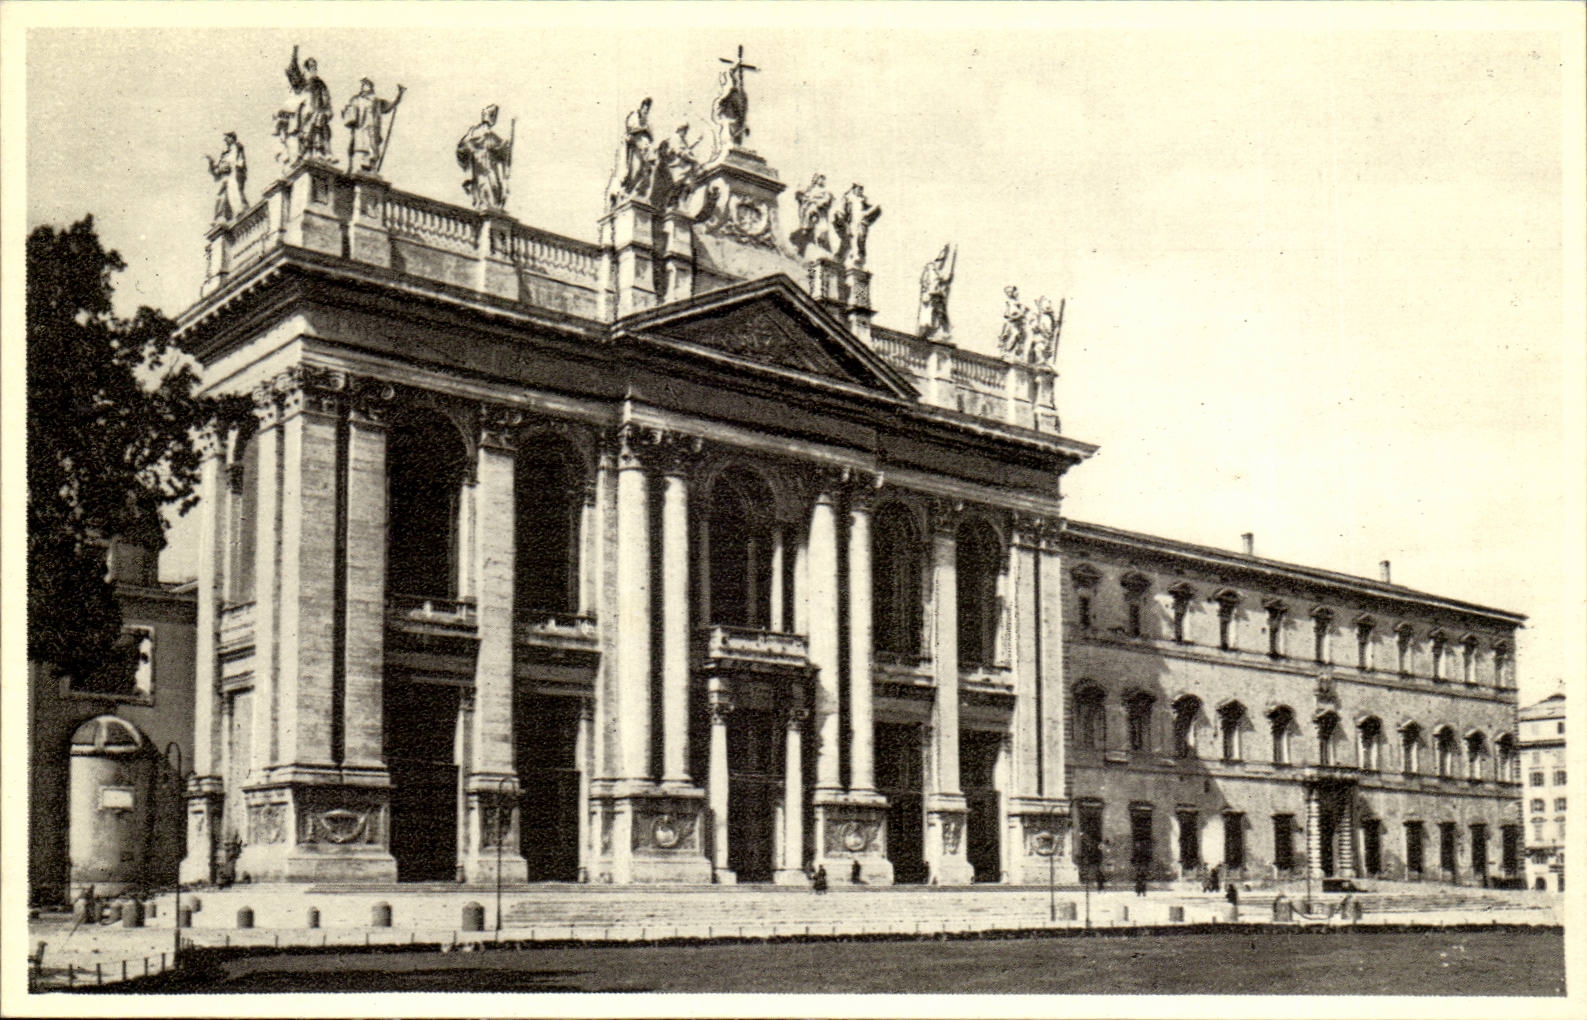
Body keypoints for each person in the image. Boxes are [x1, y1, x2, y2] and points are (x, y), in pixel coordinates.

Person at [278, 45, 333, 165]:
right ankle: (303, 153)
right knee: (305, 131)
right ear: (307, 68)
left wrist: (328, 109)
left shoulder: (319, 82)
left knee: (319, 130)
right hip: (305, 110)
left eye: (315, 66)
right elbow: (292, 70)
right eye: (311, 66)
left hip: (318, 109)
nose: (314, 68)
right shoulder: (303, 81)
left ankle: (317, 152)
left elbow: (325, 96)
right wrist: (295, 53)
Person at [342, 78, 404, 174]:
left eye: (366, 84)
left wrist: (399, 95)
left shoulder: (376, 101)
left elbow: (390, 106)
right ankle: (352, 168)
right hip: (360, 129)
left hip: (372, 128)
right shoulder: (356, 99)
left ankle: (371, 168)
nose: (364, 86)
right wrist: (347, 113)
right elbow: (348, 112)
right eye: (363, 85)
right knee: (356, 147)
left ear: (371, 86)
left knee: (372, 148)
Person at [457, 105, 513, 211]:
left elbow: (500, 149)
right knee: (484, 186)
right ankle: (486, 207)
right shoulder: (474, 131)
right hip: (480, 165)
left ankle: (493, 208)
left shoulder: (492, 136)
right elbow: (464, 145)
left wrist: (507, 145)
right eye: (491, 115)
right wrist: (474, 151)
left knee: (495, 186)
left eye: (494, 116)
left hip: (491, 166)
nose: (492, 118)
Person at [833, 183, 882, 268]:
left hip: (860, 222)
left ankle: (857, 258)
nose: (860, 191)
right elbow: (841, 210)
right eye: (859, 188)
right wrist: (842, 219)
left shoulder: (863, 200)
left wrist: (869, 213)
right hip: (850, 222)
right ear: (854, 188)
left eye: (861, 189)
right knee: (848, 240)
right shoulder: (848, 198)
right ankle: (841, 258)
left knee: (860, 239)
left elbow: (874, 209)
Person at [205, 132, 248, 223]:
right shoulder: (224, 155)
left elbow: (240, 164)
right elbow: (217, 172)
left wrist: (234, 168)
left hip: (234, 176)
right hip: (226, 179)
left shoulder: (237, 148)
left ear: (232, 138)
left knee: (235, 192)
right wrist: (211, 163)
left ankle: (240, 210)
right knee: (221, 196)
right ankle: (221, 216)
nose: (225, 141)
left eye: (227, 138)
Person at [791, 173, 835, 258]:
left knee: (821, 231)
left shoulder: (825, 191)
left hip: (819, 213)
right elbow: (802, 197)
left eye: (823, 178)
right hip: (810, 212)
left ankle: (818, 247)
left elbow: (827, 200)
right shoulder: (810, 189)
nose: (822, 180)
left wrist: (818, 202)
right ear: (816, 179)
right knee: (807, 230)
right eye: (820, 178)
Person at [917, 244, 956, 340]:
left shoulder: (940, 272)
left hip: (939, 297)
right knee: (930, 315)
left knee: (941, 315)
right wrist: (925, 293)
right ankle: (929, 332)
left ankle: (942, 332)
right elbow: (923, 282)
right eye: (941, 260)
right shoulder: (929, 268)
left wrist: (950, 277)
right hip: (931, 296)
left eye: (944, 260)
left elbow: (946, 281)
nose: (942, 263)